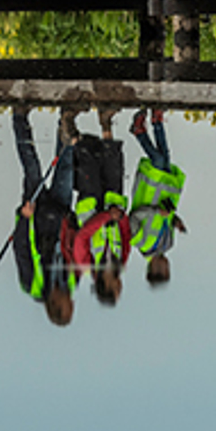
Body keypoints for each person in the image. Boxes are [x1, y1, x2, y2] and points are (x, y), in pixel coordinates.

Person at [10, 106, 76, 326]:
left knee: (32, 166)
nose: (72, 301)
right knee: (66, 166)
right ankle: (66, 120)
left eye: (69, 306)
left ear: (55, 305)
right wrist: (73, 220)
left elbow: (22, 249)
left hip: (36, 214)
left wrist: (24, 218)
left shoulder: (33, 284)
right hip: (61, 212)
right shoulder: (72, 282)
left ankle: (19, 116)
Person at [58, 106, 129, 306]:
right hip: (114, 203)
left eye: (116, 290)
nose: (120, 286)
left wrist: (107, 217)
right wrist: (121, 217)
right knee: (112, 161)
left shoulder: (86, 263)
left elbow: (83, 236)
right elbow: (126, 237)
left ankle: (70, 127)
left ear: (106, 286)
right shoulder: (120, 263)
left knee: (87, 162)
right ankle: (105, 120)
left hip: (90, 203)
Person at [128, 107, 187, 286]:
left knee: (159, 161)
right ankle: (156, 121)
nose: (167, 265)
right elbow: (166, 219)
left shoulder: (141, 244)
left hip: (150, 192)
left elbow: (134, 217)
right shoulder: (168, 245)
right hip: (165, 191)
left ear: (155, 269)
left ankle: (140, 131)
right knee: (165, 157)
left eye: (165, 269)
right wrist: (176, 222)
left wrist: (155, 211)